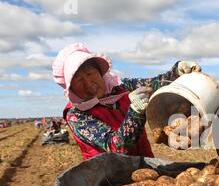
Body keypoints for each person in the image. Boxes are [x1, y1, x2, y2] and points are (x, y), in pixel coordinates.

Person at [52, 43, 201, 160]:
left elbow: (154, 83)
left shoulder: (120, 87)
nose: (88, 84)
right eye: (79, 80)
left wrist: (177, 71)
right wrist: (135, 113)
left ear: (100, 72)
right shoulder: (76, 115)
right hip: (109, 180)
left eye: (90, 74)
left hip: (145, 167)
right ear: (71, 88)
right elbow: (116, 147)